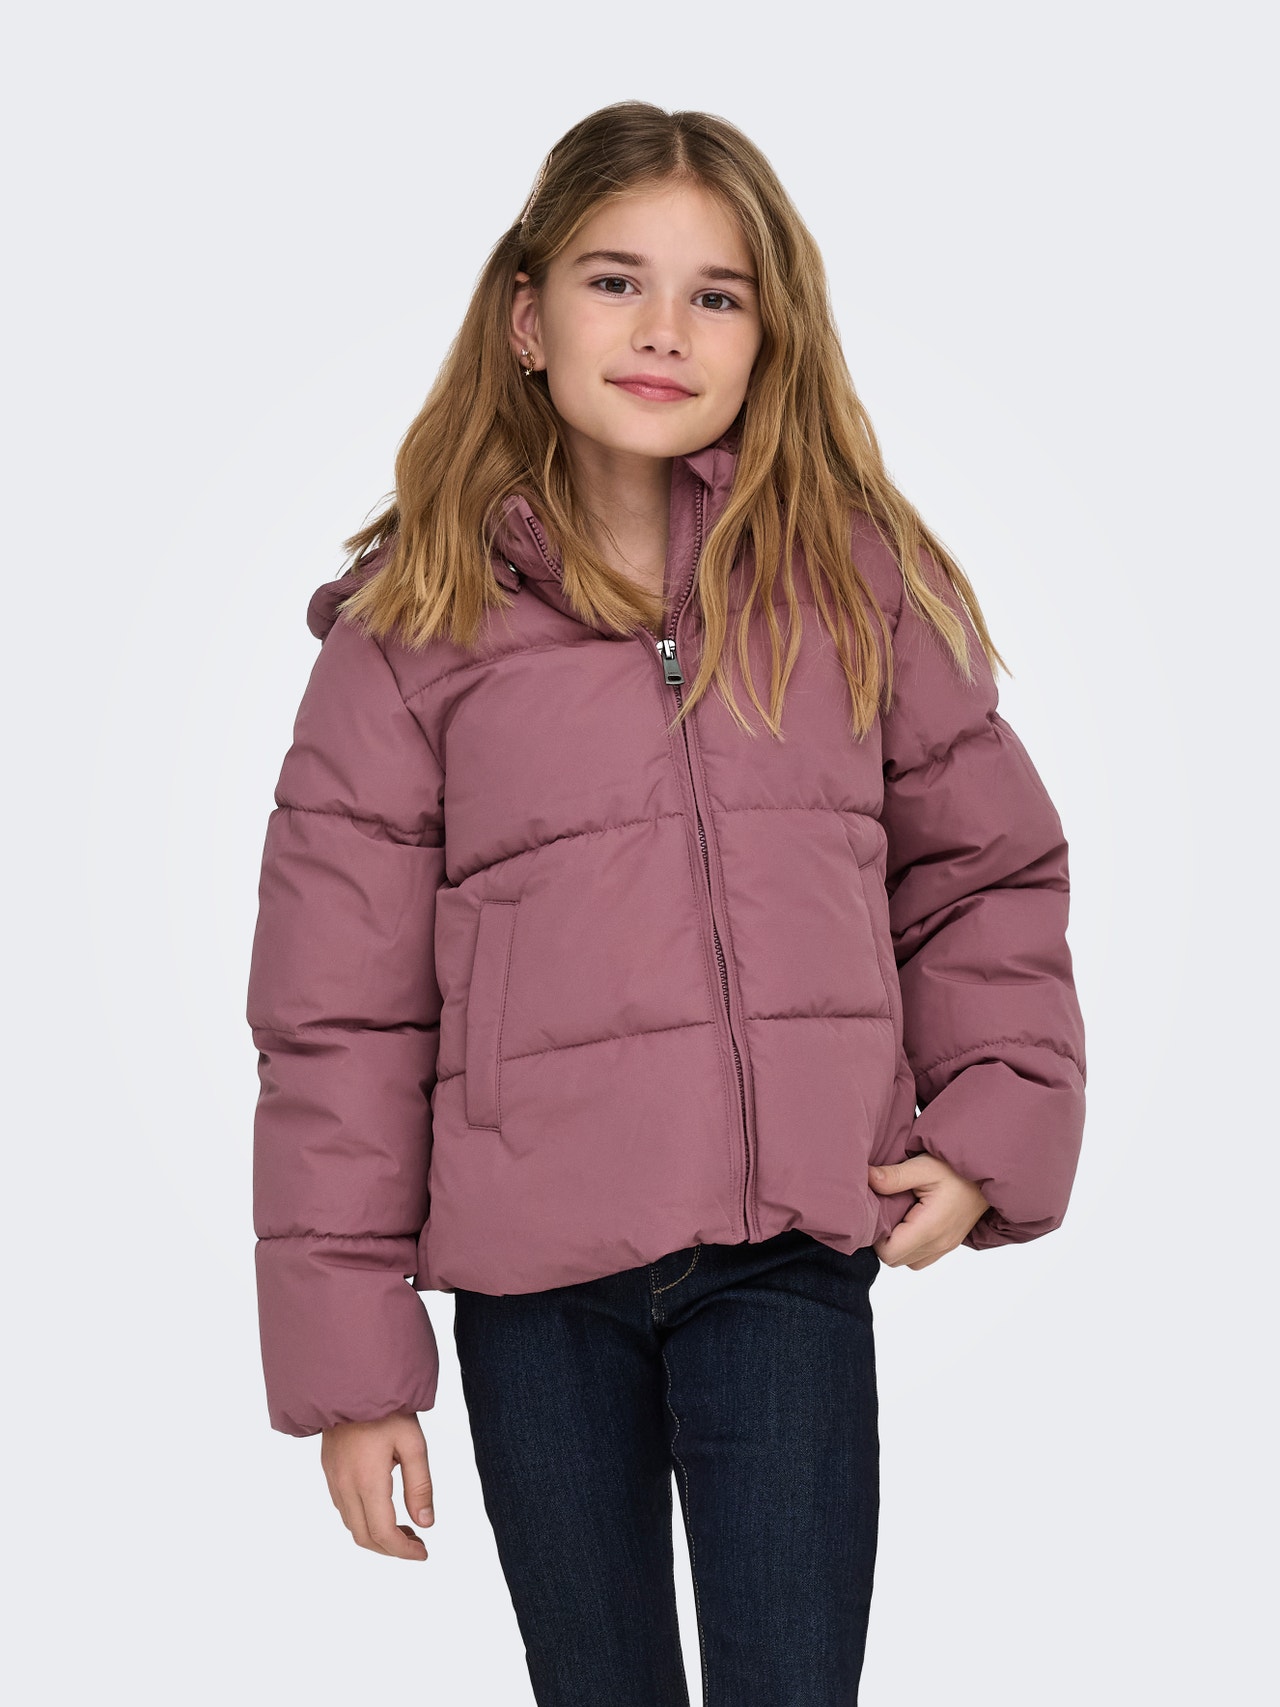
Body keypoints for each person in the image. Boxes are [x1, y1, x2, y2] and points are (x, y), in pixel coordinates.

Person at [246, 100, 1087, 1707]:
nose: (662, 330)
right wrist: (355, 1368)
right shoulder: (407, 635)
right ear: (527, 319)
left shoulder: (851, 589)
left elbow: (984, 868)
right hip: (532, 1291)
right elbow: (335, 1017)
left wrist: (995, 1122)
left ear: (769, 336)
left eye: (716, 294)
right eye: (615, 280)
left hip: (784, 1255)